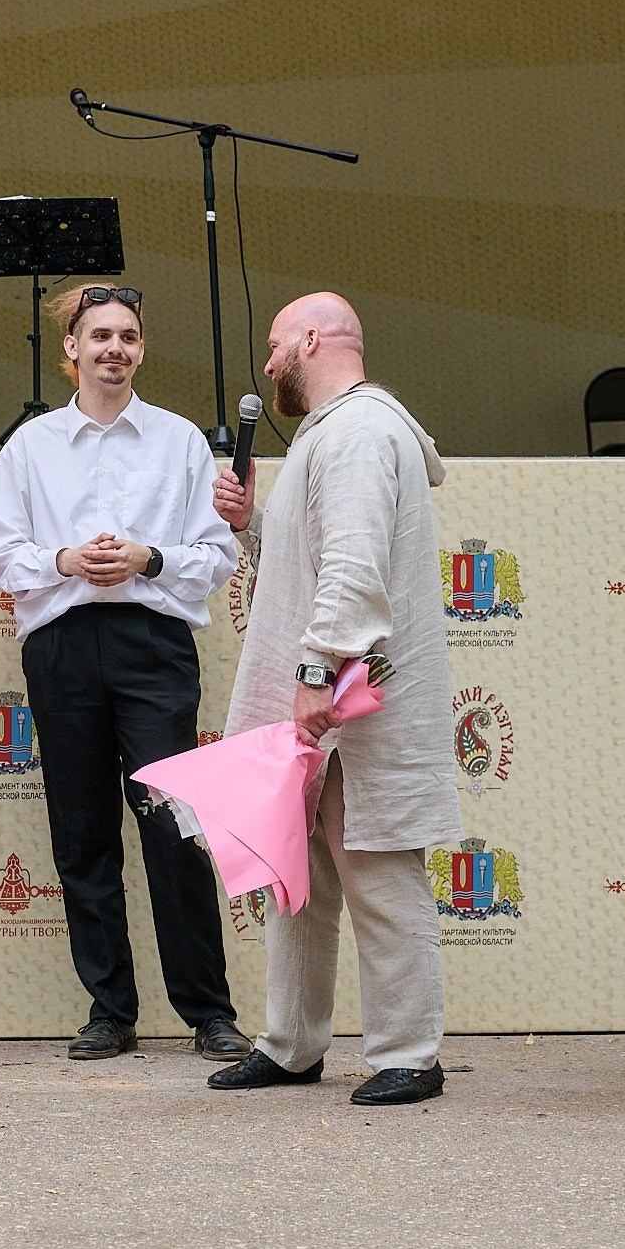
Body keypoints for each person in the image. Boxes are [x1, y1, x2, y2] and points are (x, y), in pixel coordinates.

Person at [0, 283, 248, 1062]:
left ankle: (209, 1012)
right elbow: (3, 554)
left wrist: (147, 556)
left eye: (128, 336)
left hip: (153, 645)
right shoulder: (29, 447)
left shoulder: (178, 441)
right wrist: (66, 560)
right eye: (99, 335)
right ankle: (110, 1009)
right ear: (70, 350)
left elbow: (218, 554)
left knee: (172, 828)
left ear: (141, 349)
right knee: (83, 833)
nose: (114, 348)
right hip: (61, 647)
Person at [205, 294, 460, 1106]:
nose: (270, 364)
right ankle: (290, 1043)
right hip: (330, 700)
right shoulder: (342, 432)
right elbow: (314, 559)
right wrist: (253, 526)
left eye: (277, 346)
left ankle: (410, 1053)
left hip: (349, 699)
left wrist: (317, 672)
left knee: (377, 870)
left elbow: (352, 567)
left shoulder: (353, 432)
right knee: (296, 875)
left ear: (311, 338)